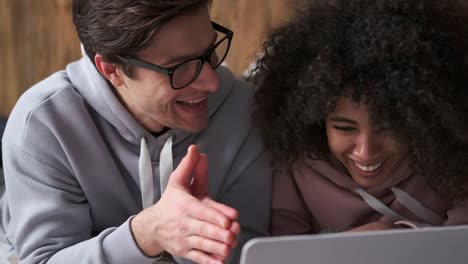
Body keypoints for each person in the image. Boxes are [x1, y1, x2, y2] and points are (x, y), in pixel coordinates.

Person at [0, 0, 272, 263]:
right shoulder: (43, 124)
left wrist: (198, 239)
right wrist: (146, 234)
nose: (212, 82)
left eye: (209, 52)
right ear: (112, 70)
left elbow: (253, 252)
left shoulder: (239, 106)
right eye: (180, 68)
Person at [253, 0, 468, 235]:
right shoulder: (296, 164)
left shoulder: (453, 159)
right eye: (345, 128)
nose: (365, 152)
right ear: (316, 119)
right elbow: (281, 254)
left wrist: (398, 237)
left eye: (388, 127)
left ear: (421, 116)